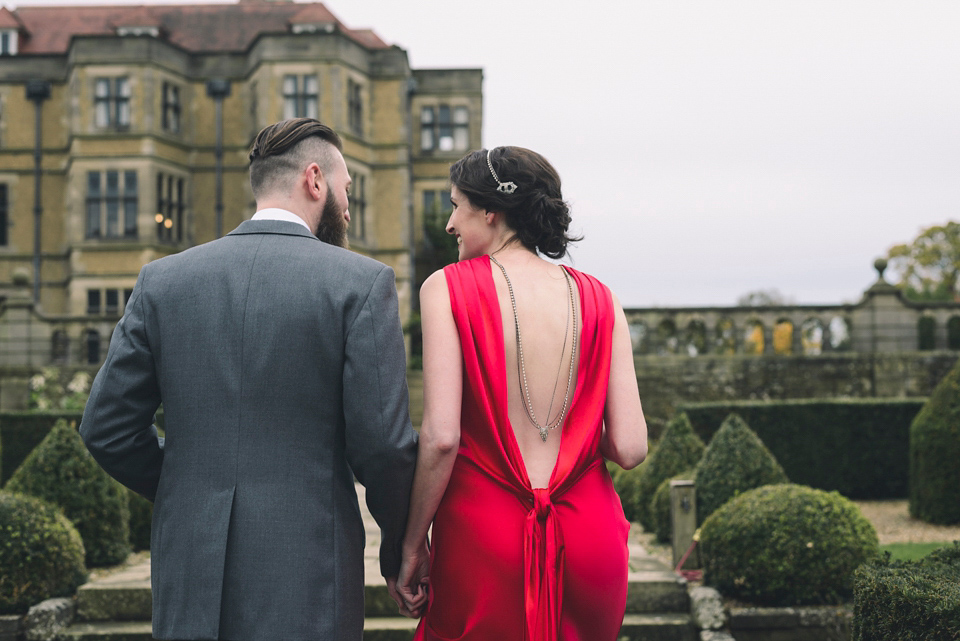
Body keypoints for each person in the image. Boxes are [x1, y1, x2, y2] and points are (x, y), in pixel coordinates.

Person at [79, 118, 418, 641]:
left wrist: (184, 487)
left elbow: (106, 428)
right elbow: (384, 446)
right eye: (347, 190)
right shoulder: (361, 284)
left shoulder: (163, 280)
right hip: (309, 568)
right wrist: (400, 548)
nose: (348, 207)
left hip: (189, 564)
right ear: (315, 180)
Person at [394, 146, 648, 640]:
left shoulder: (446, 288)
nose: (450, 224)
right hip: (589, 538)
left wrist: (411, 544)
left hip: (484, 537)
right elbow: (631, 448)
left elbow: (442, 438)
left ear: (490, 210)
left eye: (455, 206)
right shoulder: (601, 297)